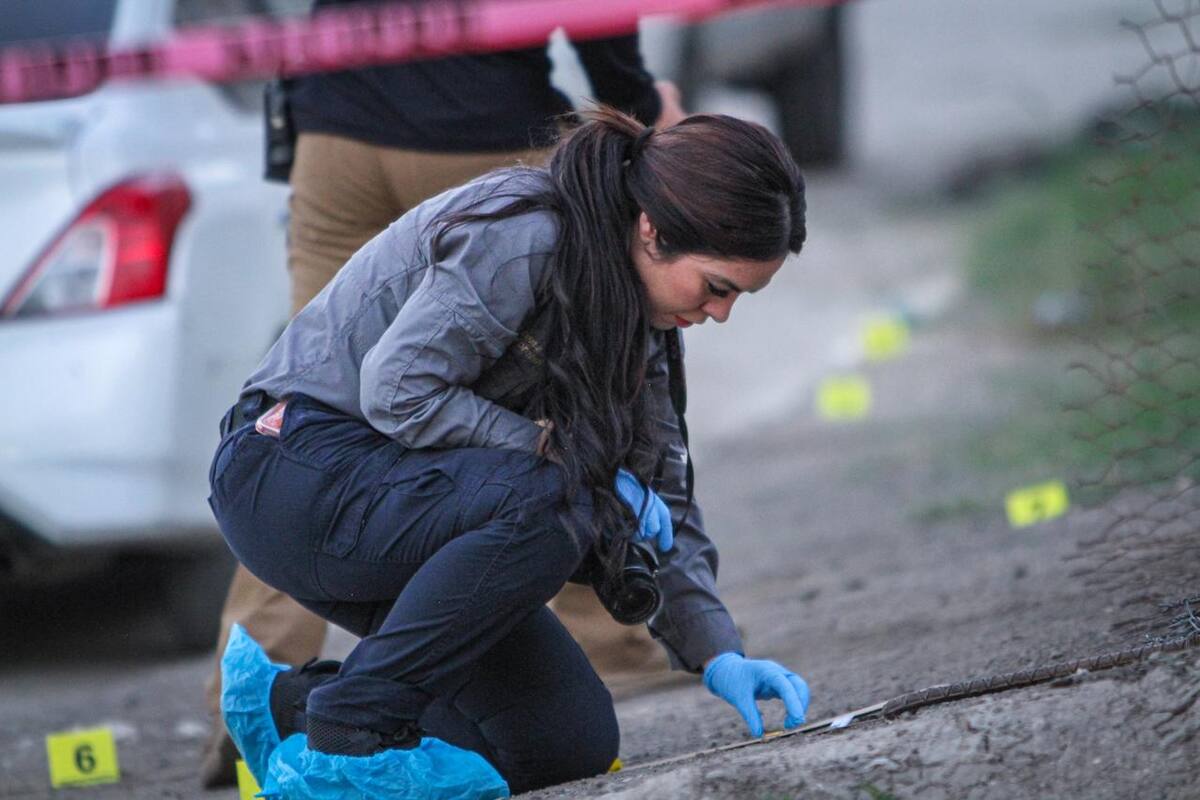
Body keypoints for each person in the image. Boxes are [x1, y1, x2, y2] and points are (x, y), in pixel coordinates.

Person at [209, 107, 810, 798]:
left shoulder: (642, 321)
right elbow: (399, 390)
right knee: (558, 497)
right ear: (654, 229)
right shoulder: (527, 235)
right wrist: (563, 460)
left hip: (405, 505)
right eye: (717, 287)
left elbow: (661, 494)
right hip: (289, 473)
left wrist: (719, 650)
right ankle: (349, 740)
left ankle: (284, 709)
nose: (721, 315)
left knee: (564, 743)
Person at [200, 4, 684, 785]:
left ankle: (271, 675)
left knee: (330, 371)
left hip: (337, 124)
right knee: (510, 411)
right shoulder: (545, 220)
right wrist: (645, 116)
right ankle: (613, 643)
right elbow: (597, 15)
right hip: (479, 121)